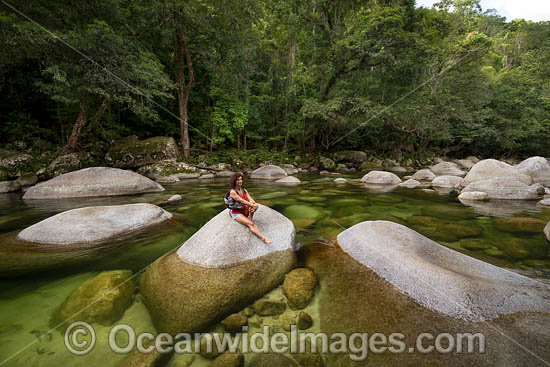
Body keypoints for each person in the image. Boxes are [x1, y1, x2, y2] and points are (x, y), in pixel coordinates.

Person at [229, 172, 273, 244]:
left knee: (253, 204)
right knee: (251, 224)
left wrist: (255, 204)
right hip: (237, 213)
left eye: (241, 179)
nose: (240, 181)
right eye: (238, 180)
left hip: (245, 211)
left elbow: (251, 200)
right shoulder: (233, 192)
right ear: (234, 181)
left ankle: (250, 219)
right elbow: (242, 201)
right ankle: (263, 238)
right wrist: (253, 205)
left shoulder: (244, 190)